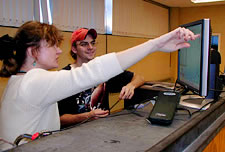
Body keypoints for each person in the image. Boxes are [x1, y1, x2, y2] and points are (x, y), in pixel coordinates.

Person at [0, 20, 199, 145]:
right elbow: (92, 72)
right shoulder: (32, 82)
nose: (59, 51)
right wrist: (155, 44)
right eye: (52, 45)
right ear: (32, 51)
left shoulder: (21, 81)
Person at [57, 28, 145, 128]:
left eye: (92, 43)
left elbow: (140, 77)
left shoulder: (103, 70)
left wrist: (130, 86)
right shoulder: (64, 76)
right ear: (74, 49)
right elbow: (60, 119)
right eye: (84, 44)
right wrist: (88, 116)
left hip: (103, 131)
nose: (90, 47)